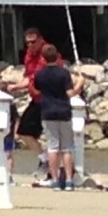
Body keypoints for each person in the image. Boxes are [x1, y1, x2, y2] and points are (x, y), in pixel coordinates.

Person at [31, 45, 86, 190]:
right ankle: (68, 180)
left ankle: (55, 180)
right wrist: (79, 84)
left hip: (47, 112)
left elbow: (36, 89)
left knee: (52, 147)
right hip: (63, 111)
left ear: (43, 57)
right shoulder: (63, 73)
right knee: (67, 147)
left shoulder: (40, 74)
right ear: (58, 56)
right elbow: (69, 93)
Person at [12, 27, 49, 176]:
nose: (30, 45)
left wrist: (18, 85)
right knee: (23, 132)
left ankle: (53, 164)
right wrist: (16, 86)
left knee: (53, 136)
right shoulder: (29, 55)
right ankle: (44, 158)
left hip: (48, 100)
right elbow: (28, 76)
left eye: (33, 42)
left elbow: (36, 78)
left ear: (40, 39)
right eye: (28, 43)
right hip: (36, 100)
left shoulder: (47, 53)